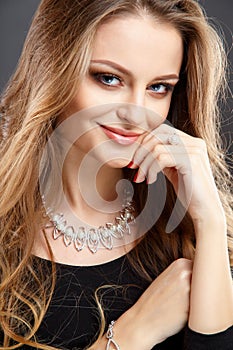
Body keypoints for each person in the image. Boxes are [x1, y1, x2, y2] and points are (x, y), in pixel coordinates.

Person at [0, 0, 233, 349]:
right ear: (51, 69)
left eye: (159, 87)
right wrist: (131, 334)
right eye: (109, 78)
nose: (136, 113)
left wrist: (211, 221)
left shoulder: (190, 228)